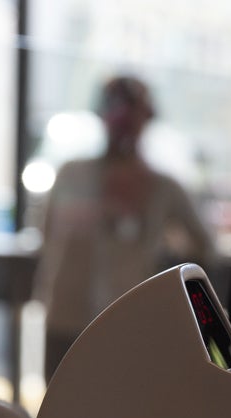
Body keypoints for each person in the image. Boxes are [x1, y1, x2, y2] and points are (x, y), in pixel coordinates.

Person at [35, 76, 219, 379]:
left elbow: (204, 249)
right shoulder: (72, 174)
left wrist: (163, 265)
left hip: (128, 325)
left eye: (132, 117)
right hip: (67, 321)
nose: (124, 128)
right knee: (61, 416)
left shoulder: (162, 187)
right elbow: (47, 237)